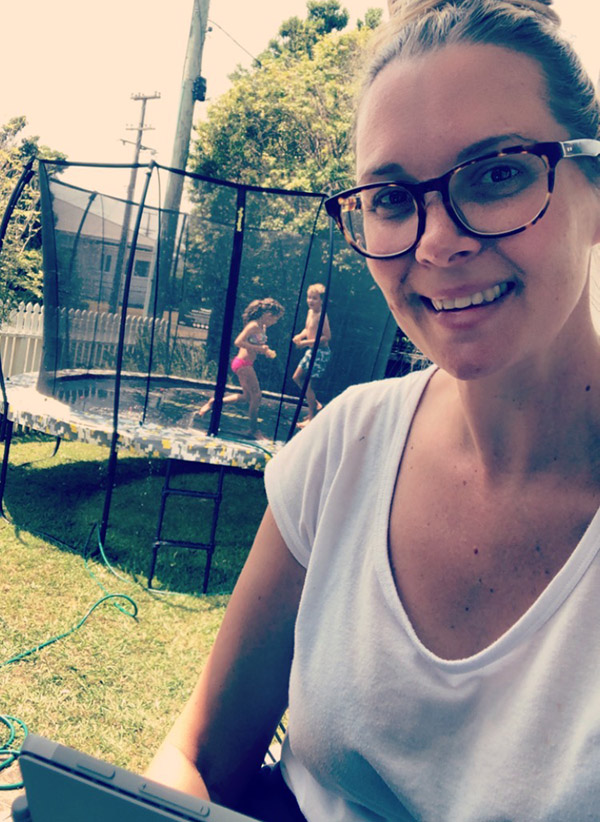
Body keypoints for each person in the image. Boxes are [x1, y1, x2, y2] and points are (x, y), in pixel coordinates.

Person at [147, 1, 600, 819]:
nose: (434, 243)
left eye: (497, 173)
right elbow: (200, 756)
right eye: (391, 199)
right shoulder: (345, 447)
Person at [199, 297, 284, 440]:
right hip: (242, 363)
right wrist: (259, 348)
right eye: (275, 319)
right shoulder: (253, 325)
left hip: (247, 364)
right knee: (257, 396)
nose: (275, 322)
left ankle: (215, 402)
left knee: (246, 397)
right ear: (268, 315)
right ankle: (253, 429)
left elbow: (254, 343)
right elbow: (238, 342)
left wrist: (264, 351)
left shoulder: (262, 326)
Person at [292, 283, 332, 427]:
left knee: (308, 384)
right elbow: (308, 328)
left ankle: (312, 418)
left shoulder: (322, 316)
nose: (310, 301)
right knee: (296, 377)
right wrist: (300, 336)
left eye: (314, 298)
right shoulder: (310, 312)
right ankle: (314, 405)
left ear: (321, 301)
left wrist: (305, 343)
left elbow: (326, 337)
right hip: (311, 351)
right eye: (309, 297)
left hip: (320, 353)